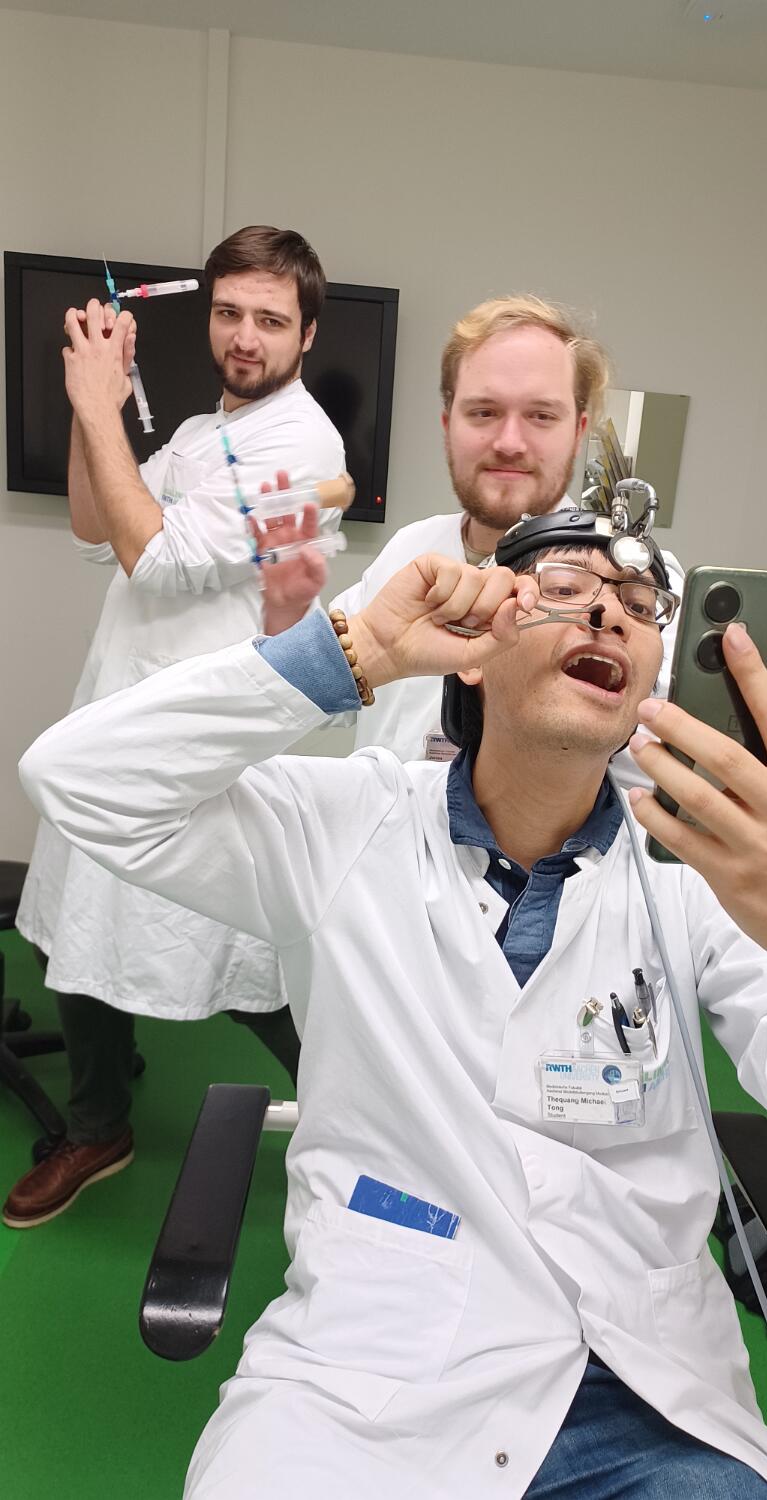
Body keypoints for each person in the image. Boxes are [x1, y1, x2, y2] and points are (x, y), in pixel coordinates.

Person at [18, 513, 767, 1500]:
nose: (607, 614)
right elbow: (79, 780)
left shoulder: (695, 875)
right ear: (473, 656)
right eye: (566, 589)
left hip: (648, 1390)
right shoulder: (344, 823)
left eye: (637, 604)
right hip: (369, 1381)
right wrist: (354, 651)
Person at [5, 225, 346, 1230]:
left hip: (202, 738)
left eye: (270, 319)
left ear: (307, 333)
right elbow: (94, 525)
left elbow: (158, 559)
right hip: (118, 708)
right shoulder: (199, 429)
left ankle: (374, 1111)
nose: (244, 335)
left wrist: (99, 406)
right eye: (229, 312)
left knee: (240, 953)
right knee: (80, 917)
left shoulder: (302, 447)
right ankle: (98, 1124)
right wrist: (95, 410)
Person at [262, 294, 684, 776]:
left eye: (541, 415)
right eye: (483, 412)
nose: (509, 442)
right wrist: (286, 612)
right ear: (448, 426)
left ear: (577, 431)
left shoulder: (638, 590)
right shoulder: (408, 550)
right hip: (382, 820)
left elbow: (648, 781)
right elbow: (330, 701)